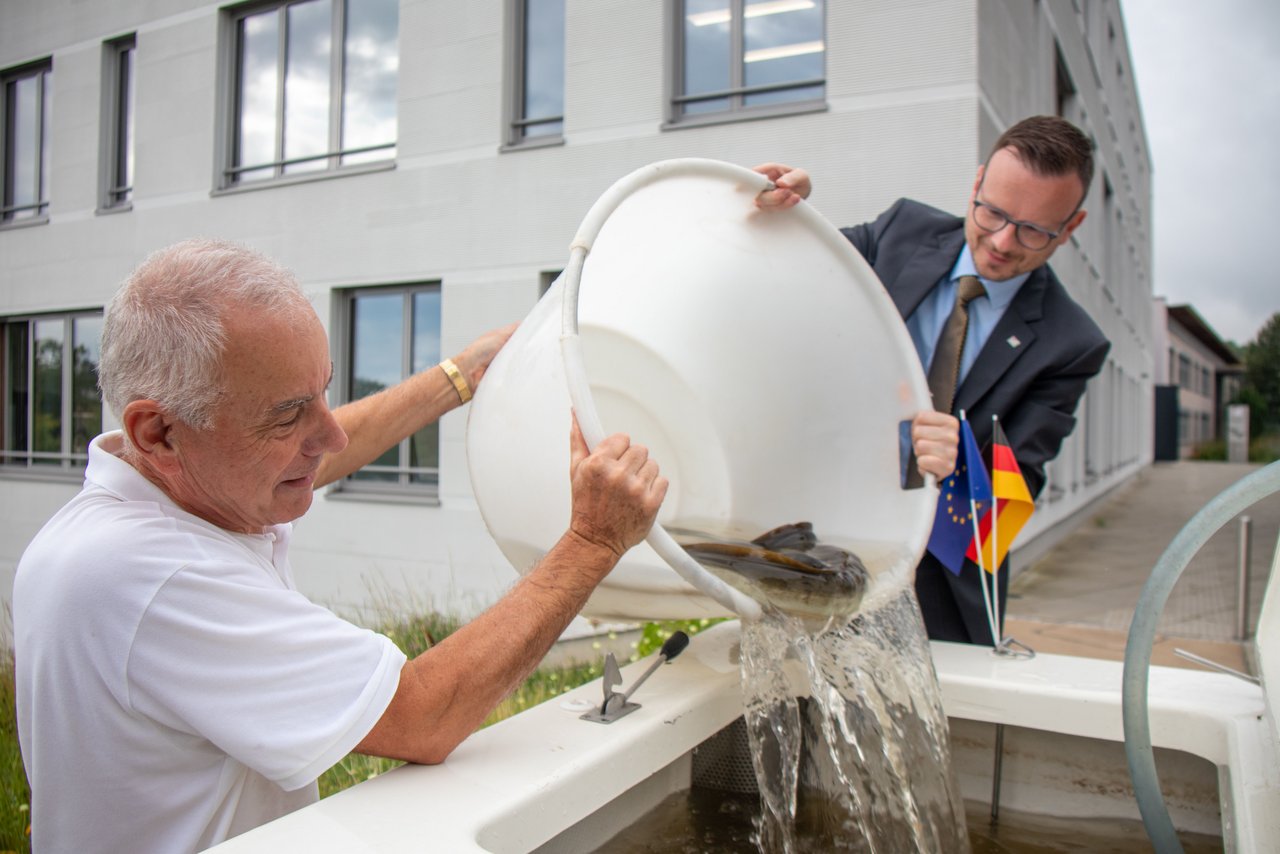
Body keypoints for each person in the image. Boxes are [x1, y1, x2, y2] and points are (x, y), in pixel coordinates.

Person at [14, 239, 668, 853]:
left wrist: (461, 376)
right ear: (158, 432)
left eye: (323, 392)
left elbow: (314, 449)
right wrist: (592, 540)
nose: (329, 436)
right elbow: (420, 717)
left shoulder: (161, 495)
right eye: (287, 414)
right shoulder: (152, 575)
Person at [755, 115, 1110, 645]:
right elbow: (798, 269)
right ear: (976, 183)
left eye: (1035, 230)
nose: (1003, 242)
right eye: (992, 212)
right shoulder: (901, 231)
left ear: (1072, 227)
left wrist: (961, 466)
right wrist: (788, 211)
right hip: (815, 547)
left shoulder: (1070, 343)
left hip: (939, 593)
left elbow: (1004, 512)